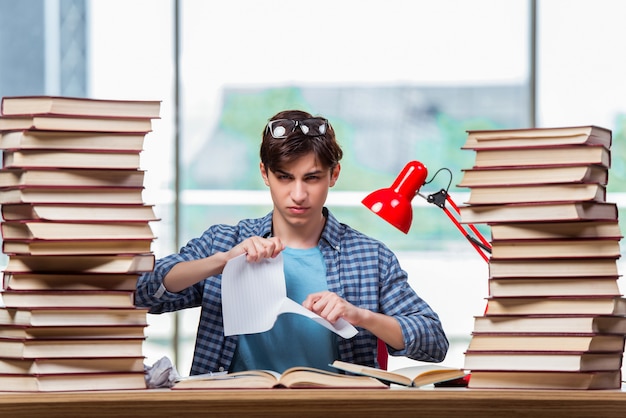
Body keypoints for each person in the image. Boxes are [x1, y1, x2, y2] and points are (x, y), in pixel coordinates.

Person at [135, 109, 449, 375]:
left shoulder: (370, 257)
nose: (298, 195)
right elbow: (142, 292)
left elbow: (434, 342)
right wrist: (221, 261)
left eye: (311, 178)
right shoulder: (225, 240)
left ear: (333, 175)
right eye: (285, 177)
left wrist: (360, 316)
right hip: (232, 409)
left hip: (336, 411)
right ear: (265, 173)